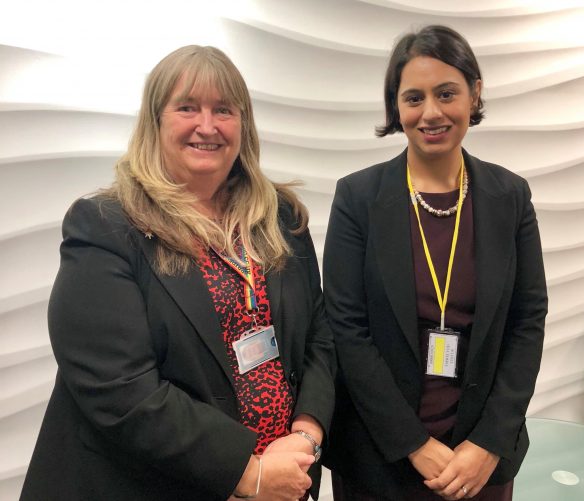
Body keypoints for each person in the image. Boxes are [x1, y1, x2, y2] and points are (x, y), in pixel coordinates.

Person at [20, 45, 335, 501]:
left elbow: (319, 340)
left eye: (223, 110)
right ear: (156, 121)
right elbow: (121, 389)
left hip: (285, 479)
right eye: (187, 107)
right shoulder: (107, 226)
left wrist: (306, 436)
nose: (206, 126)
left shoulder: (280, 217)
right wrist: (249, 475)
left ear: (243, 125)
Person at [323, 25, 547, 501]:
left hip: (480, 458)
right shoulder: (357, 197)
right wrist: (413, 443)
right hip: (379, 456)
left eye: (446, 93)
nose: (431, 113)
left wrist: (488, 442)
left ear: (475, 93)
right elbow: (347, 329)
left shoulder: (510, 196)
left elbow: (527, 323)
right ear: (395, 106)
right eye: (413, 98)